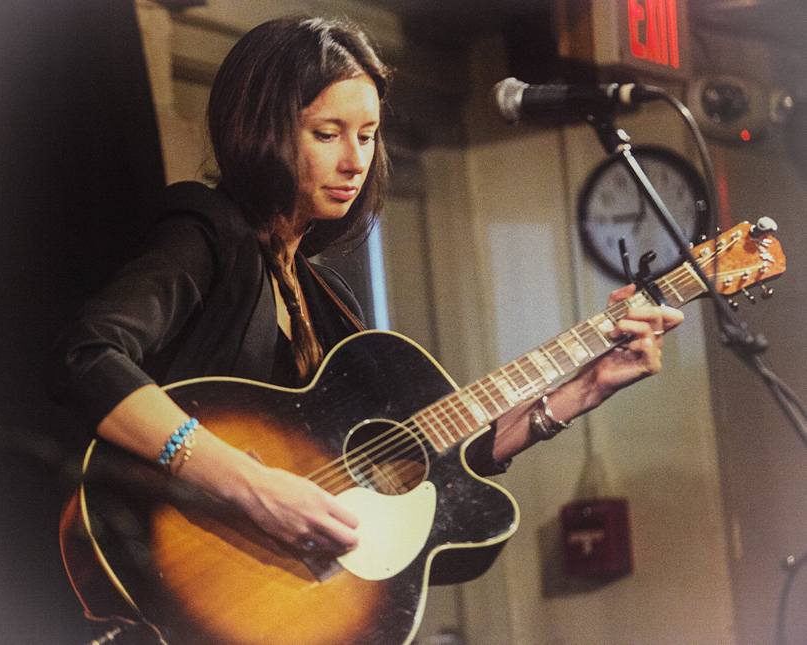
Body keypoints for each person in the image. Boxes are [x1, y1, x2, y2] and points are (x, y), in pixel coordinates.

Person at [48, 14, 682, 639]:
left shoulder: (327, 299)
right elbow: (86, 355)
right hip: (168, 550)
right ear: (261, 132)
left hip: (281, 596)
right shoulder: (206, 233)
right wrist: (251, 485)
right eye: (328, 133)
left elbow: (411, 463)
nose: (355, 160)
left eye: (369, 135)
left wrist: (584, 388)